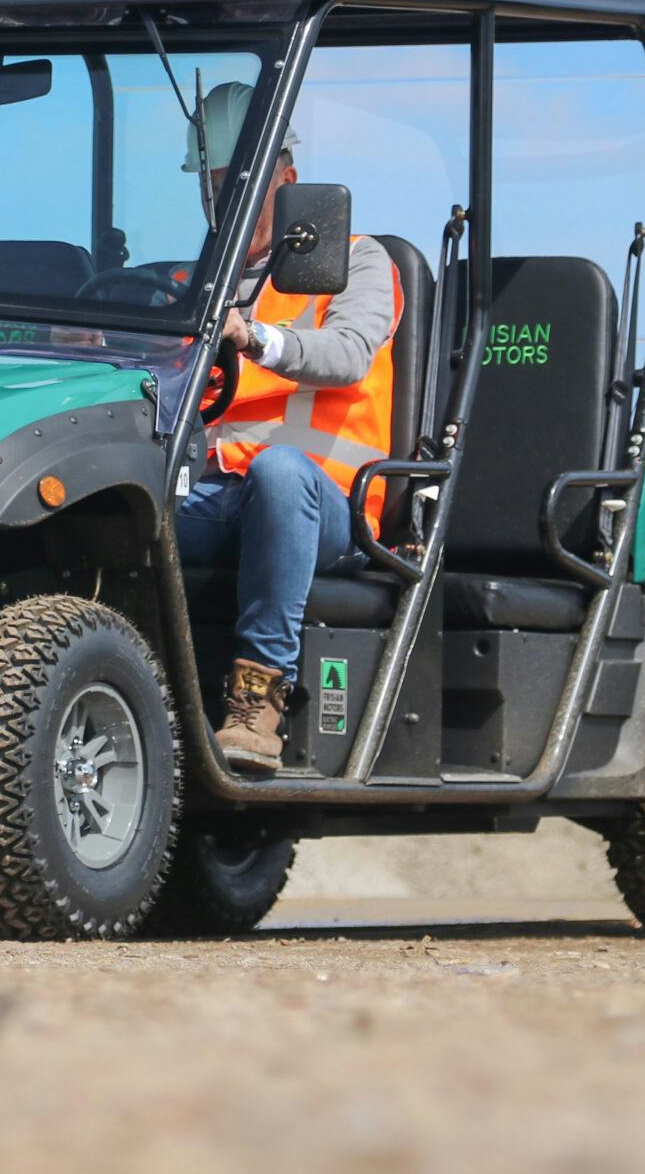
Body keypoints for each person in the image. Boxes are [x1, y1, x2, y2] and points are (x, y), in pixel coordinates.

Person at [176, 81, 401, 773]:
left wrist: (256, 339)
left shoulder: (356, 262)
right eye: (213, 188)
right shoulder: (194, 282)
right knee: (113, 502)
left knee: (279, 472)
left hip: (329, 507)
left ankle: (258, 700)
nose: (223, 204)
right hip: (221, 497)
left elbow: (347, 354)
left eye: (239, 186)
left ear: (290, 183)